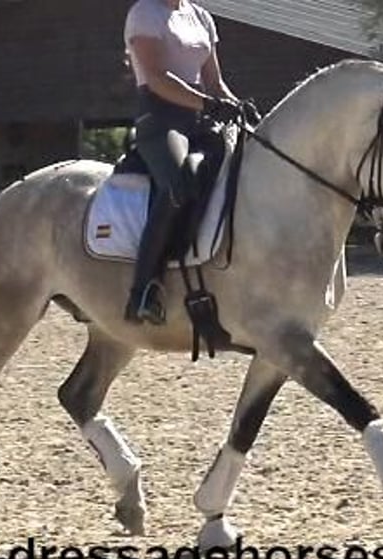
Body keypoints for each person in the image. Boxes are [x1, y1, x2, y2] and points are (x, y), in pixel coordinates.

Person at [122, 0, 251, 325]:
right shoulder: (145, 13)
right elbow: (156, 78)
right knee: (179, 180)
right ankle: (143, 290)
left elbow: (214, 82)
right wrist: (208, 104)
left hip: (200, 122)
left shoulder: (201, 16)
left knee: (245, 167)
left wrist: (237, 107)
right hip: (161, 120)